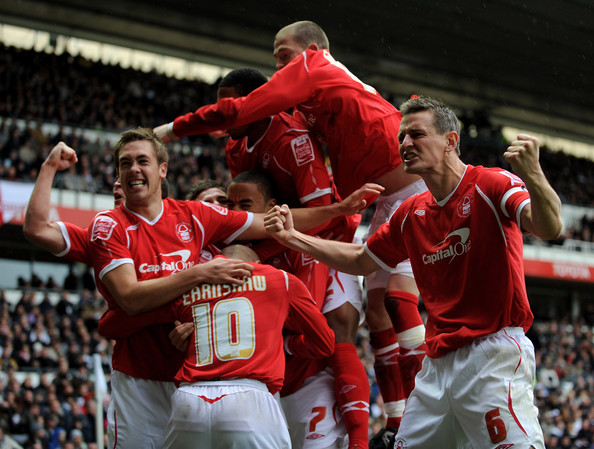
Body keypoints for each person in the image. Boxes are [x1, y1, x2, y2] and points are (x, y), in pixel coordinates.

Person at [154, 22, 428, 444]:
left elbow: (318, 206)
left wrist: (168, 132)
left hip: (336, 224)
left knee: (352, 319)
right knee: (376, 314)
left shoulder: (301, 108)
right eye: (276, 58)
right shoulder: (253, 138)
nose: (278, 65)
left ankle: (398, 419)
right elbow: (249, 210)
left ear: (313, 50)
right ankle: (395, 422)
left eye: (283, 55)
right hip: (327, 218)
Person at [24, 131, 375, 449]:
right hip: (141, 378)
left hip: (191, 382)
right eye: (125, 163)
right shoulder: (108, 227)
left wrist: (338, 210)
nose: (133, 169)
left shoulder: (198, 222)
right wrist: (50, 166)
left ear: (163, 169)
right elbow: (125, 302)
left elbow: (269, 225)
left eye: (142, 160)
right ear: (117, 174)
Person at [264, 96, 562, 449]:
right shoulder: (409, 212)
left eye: (416, 135)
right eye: (401, 137)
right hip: (436, 365)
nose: (405, 144)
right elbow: (361, 259)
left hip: (492, 355)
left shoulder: (491, 183)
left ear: (451, 141)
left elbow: (550, 226)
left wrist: (534, 175)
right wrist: (292, 238)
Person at [216, 67, 370, 447]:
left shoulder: (293, 139)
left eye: (229, 105)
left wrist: (269, 244)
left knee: (337, 332)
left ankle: (362, 438)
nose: (222, 114)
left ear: (253, 103)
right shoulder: (235, 146)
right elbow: (248, 209)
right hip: (279, 238)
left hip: (323, 239)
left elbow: (322, 213)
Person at [226, 172, 365, 448]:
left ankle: (361, 441)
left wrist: (283, 340)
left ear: (270, 207)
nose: (235, 214)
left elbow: (308, 321)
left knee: (338, 332)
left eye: (245, 205)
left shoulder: (303, 245)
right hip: (263, 389)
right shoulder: (225, 249)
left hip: (310, 382)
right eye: (230, 206)